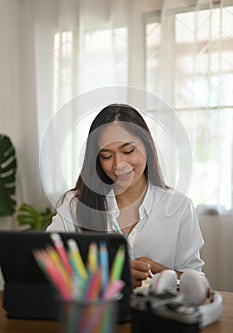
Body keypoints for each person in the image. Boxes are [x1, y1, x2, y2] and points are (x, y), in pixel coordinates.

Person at [47, 103, 204, 288]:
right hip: (96, 315)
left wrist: (159, 271)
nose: (119, 164)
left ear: (148, 147)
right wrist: (112, 273)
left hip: (157, 315)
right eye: (106, 156)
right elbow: (48, 268)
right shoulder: (75, 205)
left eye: (128, 151)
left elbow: (198, 282)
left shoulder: (179, 207)